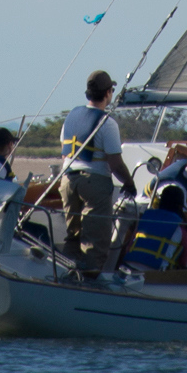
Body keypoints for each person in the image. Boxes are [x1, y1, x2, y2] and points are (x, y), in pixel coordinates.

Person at [55, 71, 138, 277]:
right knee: (94, 244)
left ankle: (64, 278)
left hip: (67, 181)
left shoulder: (71, 116)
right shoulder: (107, 123)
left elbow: (64, 151)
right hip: (94, 184)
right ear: (108, 93)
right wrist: (129, 183)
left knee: (73, 237)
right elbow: (115, 164)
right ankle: (89, 282)